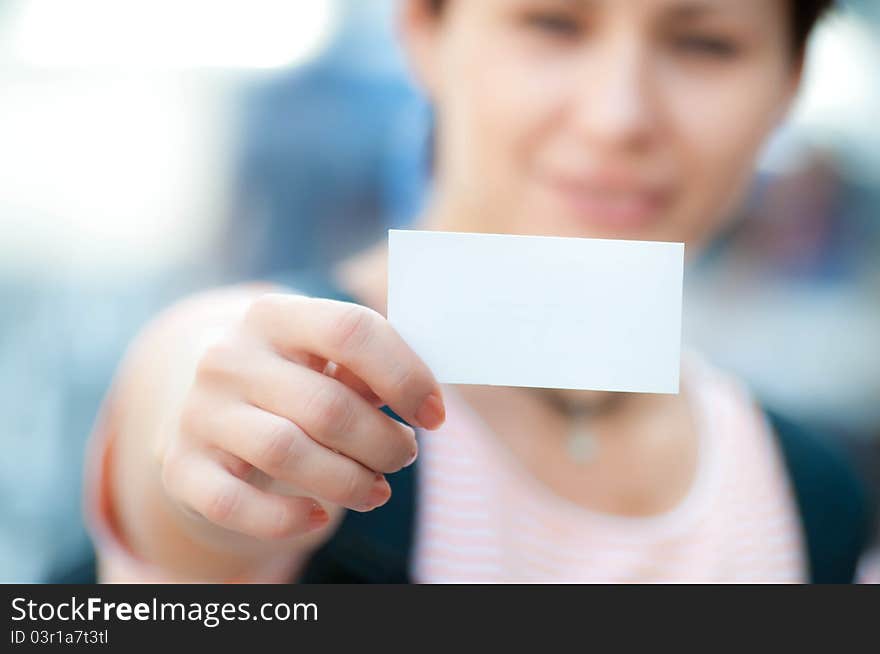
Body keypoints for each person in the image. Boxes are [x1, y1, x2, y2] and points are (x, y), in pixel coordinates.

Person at [84, 0, 870, 583]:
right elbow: (193, 407)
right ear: (425, 32)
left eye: (706, 44)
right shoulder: (290, 379)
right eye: (553, 24)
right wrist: (209, 445)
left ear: (788, 83)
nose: (618, 115)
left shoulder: (814, 495)